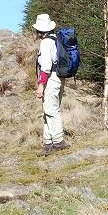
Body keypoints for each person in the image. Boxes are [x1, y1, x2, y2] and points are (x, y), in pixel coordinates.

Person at [32, 13, 69, 156]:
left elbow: (46, 66)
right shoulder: (55, 39)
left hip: (51, 79)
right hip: (58, 77)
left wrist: (41, 85)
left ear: (39, 30)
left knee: (51, 110)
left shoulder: (46, 42)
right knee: (48, 110)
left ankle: (59, 142)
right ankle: (48, 143)